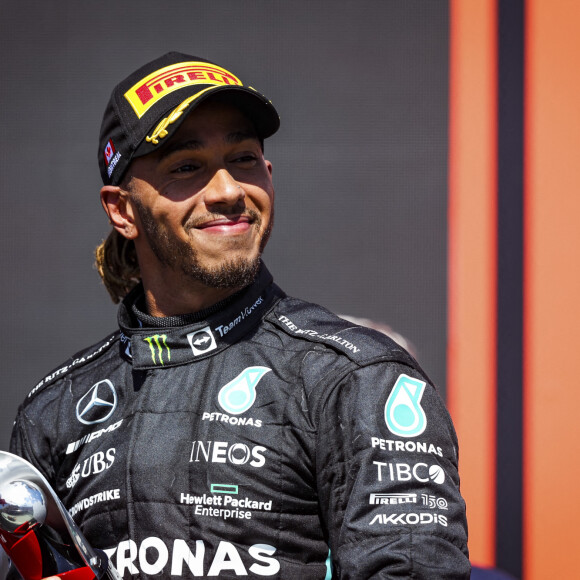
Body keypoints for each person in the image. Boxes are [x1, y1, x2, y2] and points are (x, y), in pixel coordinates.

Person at [7, 52, 470, 578]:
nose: (228, 192)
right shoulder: (53, 413)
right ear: (122, 210)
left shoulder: (357, 378)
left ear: (269, 176)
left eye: (244, 159)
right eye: (187, 167)